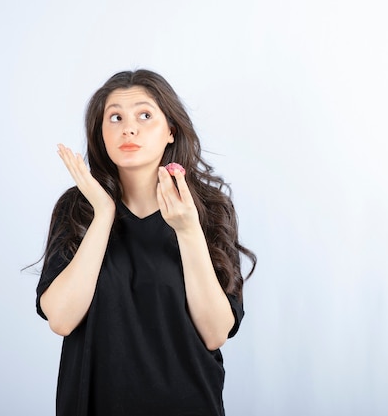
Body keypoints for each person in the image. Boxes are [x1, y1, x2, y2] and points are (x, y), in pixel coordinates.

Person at [35, 69, 256, 416]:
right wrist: (104, 214)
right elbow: (61, 320)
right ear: (100, 134)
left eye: (144, 115)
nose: (129, 128)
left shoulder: (210, 210)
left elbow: (215, 333)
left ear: (170, 130)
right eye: (115, 117)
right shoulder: (77, 209)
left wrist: (187, 230)